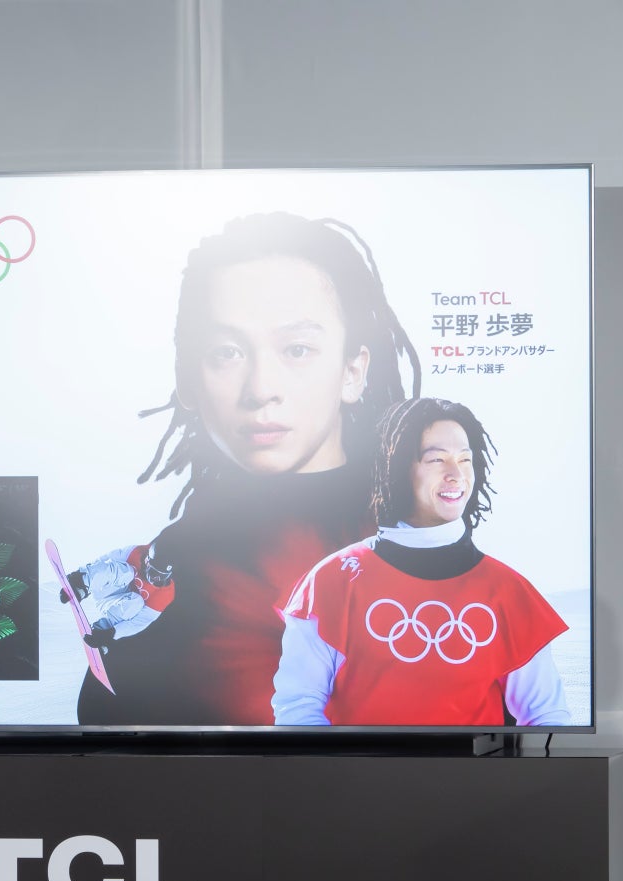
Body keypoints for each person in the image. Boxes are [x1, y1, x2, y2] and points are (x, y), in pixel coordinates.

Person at [66, 212, 419, 725]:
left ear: (352, 371)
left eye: (297, 349)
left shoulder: (408, 546)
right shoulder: (189, 545)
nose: (261, 389)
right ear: (187, 379)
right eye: (227, 352)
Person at [272, 396, 571, 727]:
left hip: (475, 764)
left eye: (465, 459)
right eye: (436, 460)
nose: (456, 474)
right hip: (357, 762)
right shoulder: (333, 580)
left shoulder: (508, 591)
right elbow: (297, 706)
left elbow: (546, 717)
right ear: (398, 468)